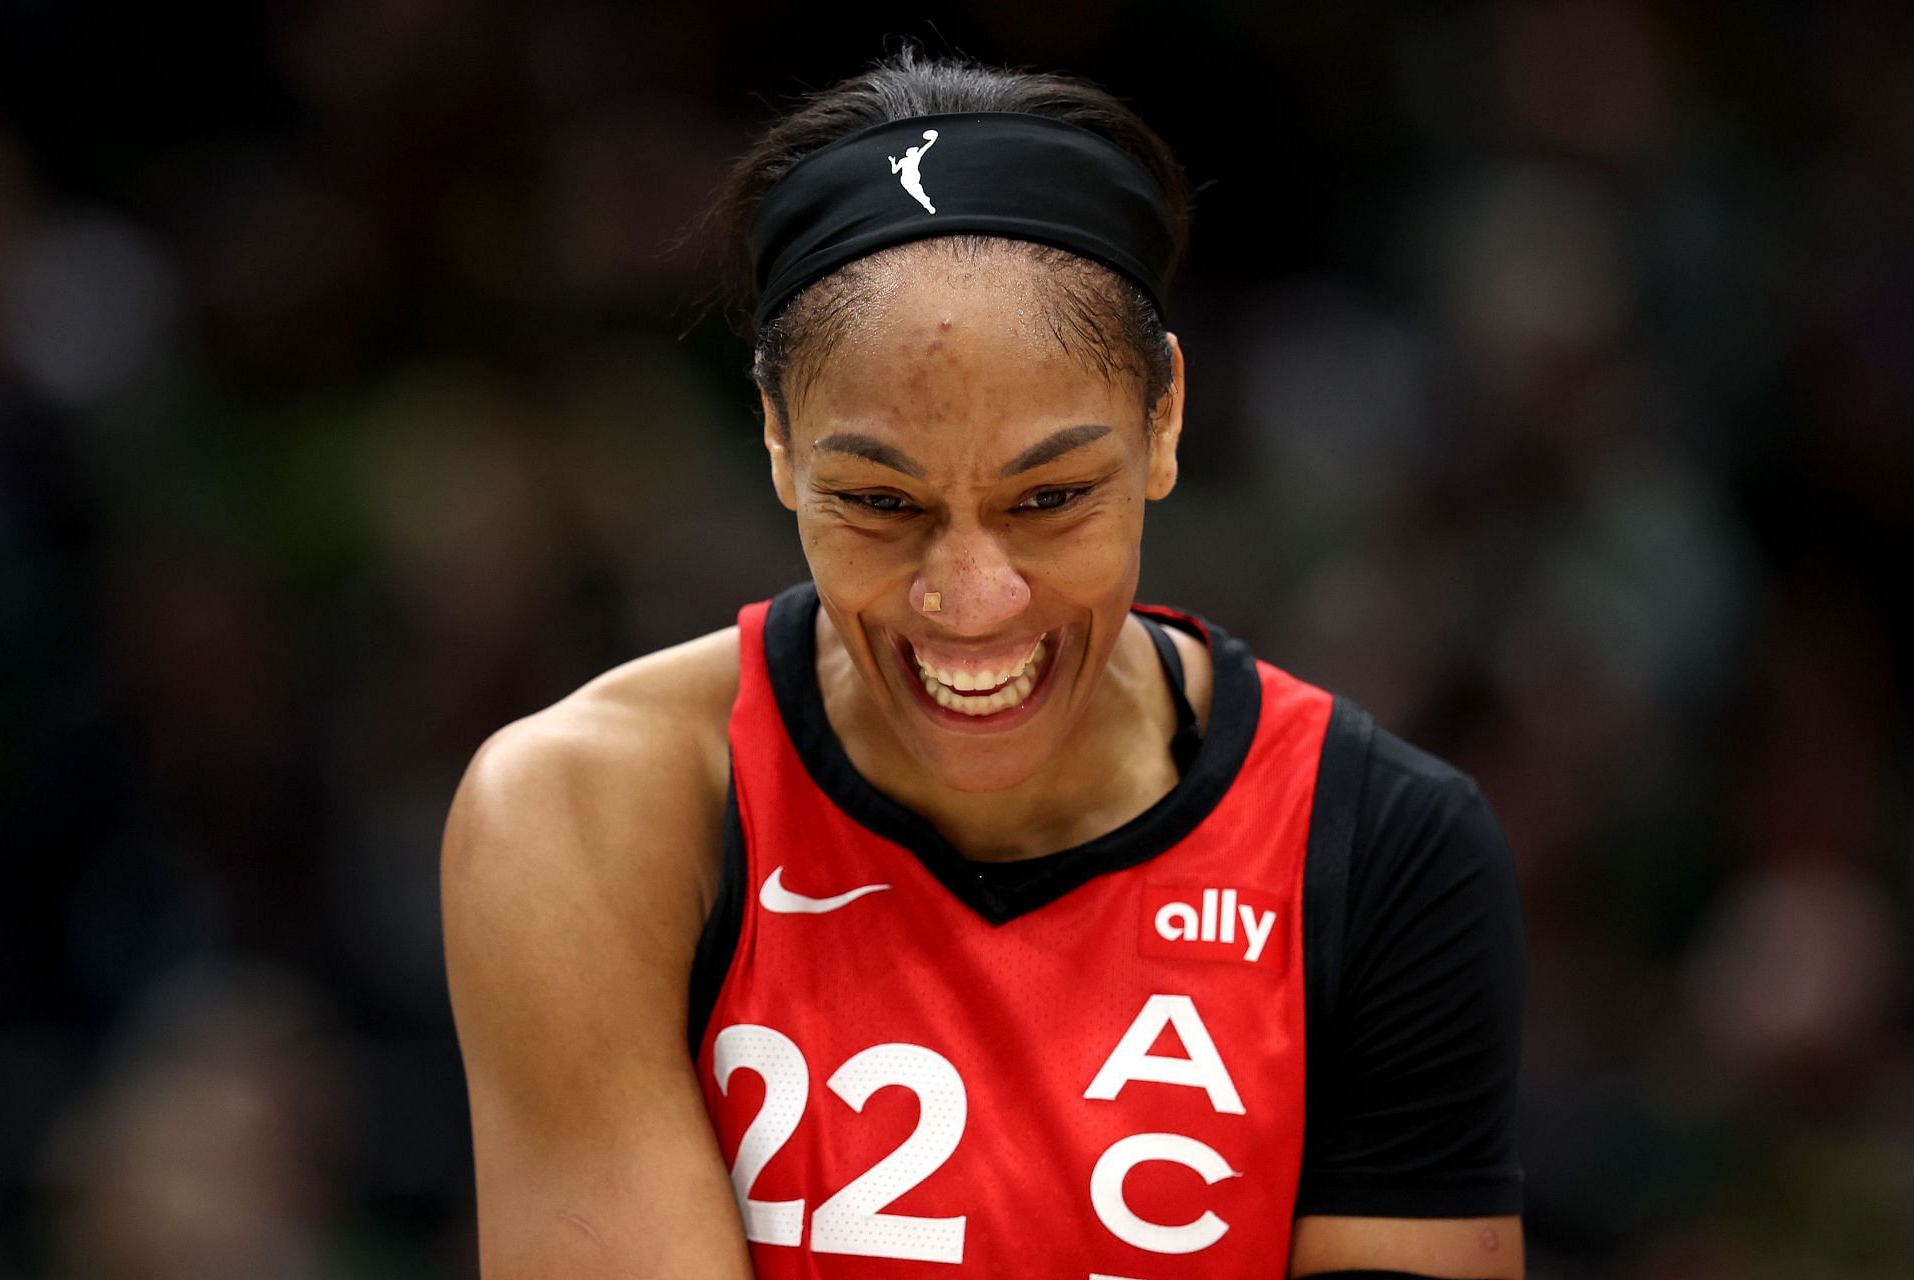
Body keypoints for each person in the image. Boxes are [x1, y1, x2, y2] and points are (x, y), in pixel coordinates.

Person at [441, 45, 1527, 1280]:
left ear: (1163, 417)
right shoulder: (585, 812)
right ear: (778, 436)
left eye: (1052, 494)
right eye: (879, 501)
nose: (971, 599)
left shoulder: (1381, 848)